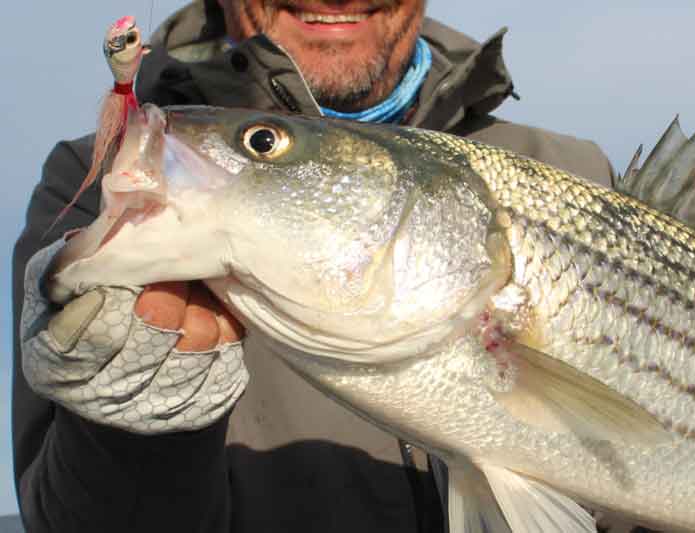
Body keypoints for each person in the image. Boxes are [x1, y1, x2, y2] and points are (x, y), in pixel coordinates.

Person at [11, 1, 615, 532]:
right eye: (263, 143)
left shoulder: (578, 172)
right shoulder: (94, 181)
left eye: (263, 144)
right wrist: (131, 420)